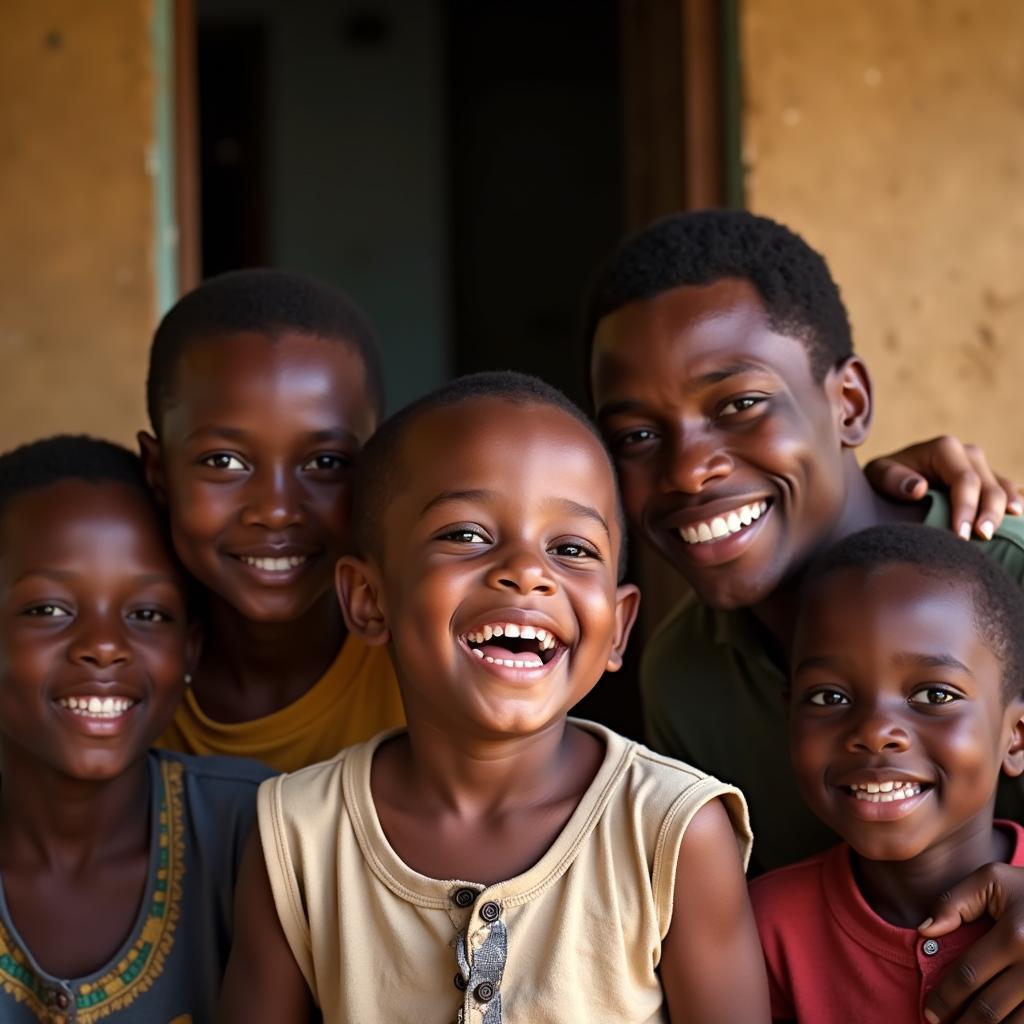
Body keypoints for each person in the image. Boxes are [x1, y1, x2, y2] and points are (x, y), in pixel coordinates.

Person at [219, 372, 770, 1023]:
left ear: (619, 627)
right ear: (369, 600)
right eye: (467, 536)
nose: (528, 572)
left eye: (571, 548)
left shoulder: (671, 832)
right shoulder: (298, 832)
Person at [586, 208, 1024, 1019]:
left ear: (849, 403)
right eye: (639, 436)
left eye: (740, 403)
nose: (687, 471)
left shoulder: (1011, 584)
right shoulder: (685, 677)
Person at [0, 435, 272, 1022]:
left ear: (191, 651)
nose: (103, 646)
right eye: (49, 609)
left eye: (147, 615)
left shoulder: (260, 832)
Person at [750, 524, 1024, 1023]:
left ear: (1017, 734)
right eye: (829, 698)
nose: (876, 732)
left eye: (934, 695)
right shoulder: (762, 926)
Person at [140, 269, 405, 772]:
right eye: (224, 462)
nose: (277, 509)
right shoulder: (121, 679)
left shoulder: (421, 671)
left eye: (325, 463)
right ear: (159, 472)